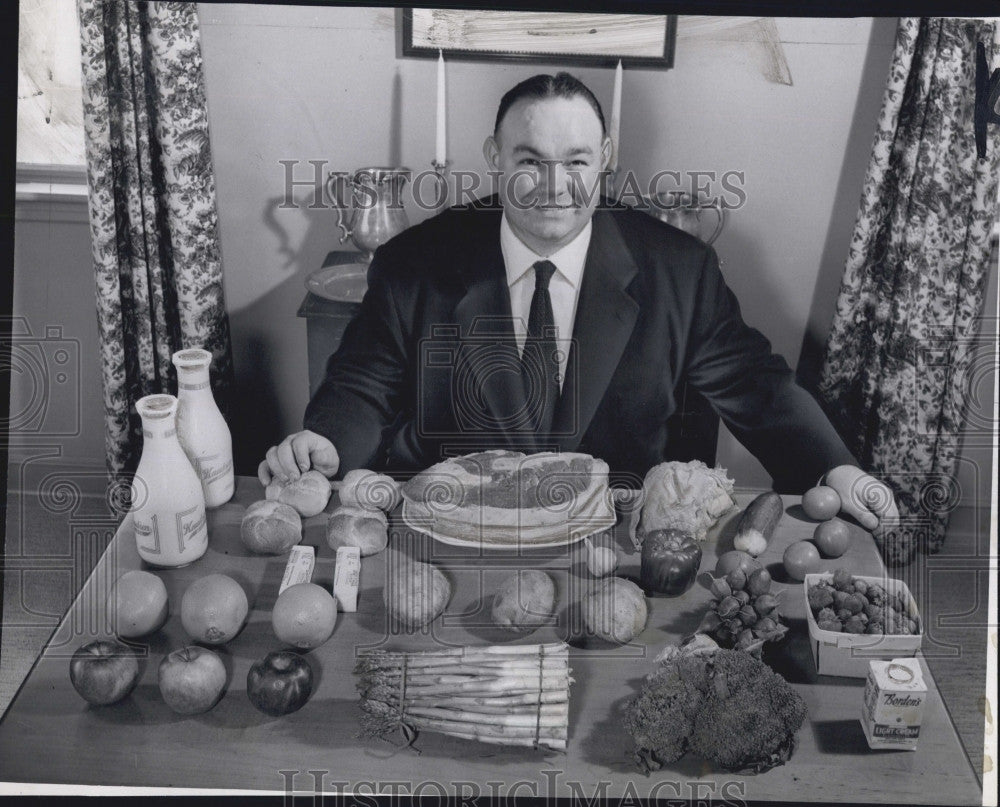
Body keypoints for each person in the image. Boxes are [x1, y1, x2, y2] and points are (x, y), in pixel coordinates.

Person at [260, 72, 898, 531]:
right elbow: (363, 387)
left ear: (605, 162)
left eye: (576, 161)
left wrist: (835, 469)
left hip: (616, 541)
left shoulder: (681, 270)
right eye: (530, 160)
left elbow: (759, 389)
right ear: (495, 158)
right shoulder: (414, 262)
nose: (555, 187)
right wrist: (325, 443)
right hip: (455, 534)